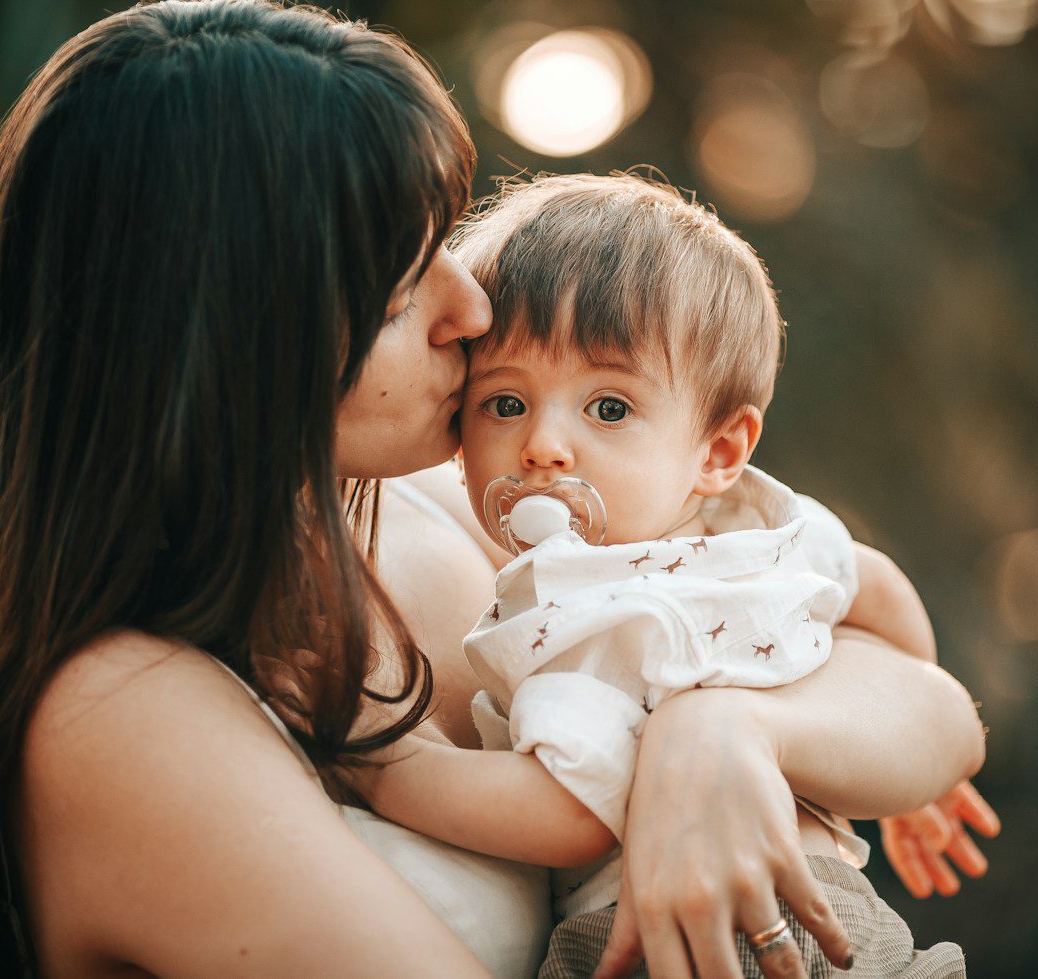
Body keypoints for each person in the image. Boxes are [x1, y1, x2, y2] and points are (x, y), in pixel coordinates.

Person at [0, 0, 988, 979]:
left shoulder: (476, 514)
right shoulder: (121, 713)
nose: (472, 308)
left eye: (448, 243)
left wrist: (725, 733)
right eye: (408, 280)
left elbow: (926, 701)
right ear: (239, 338)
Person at [349, 174, 991, 976]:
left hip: (671, 937)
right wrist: (896, 773)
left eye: (609, 409)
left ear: (720, 450)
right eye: (505, 404)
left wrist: (394, 770)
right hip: (852, 930)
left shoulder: (572, 606)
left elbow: (568, 815)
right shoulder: (768, 531)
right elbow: (875, 586)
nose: (544, 445)